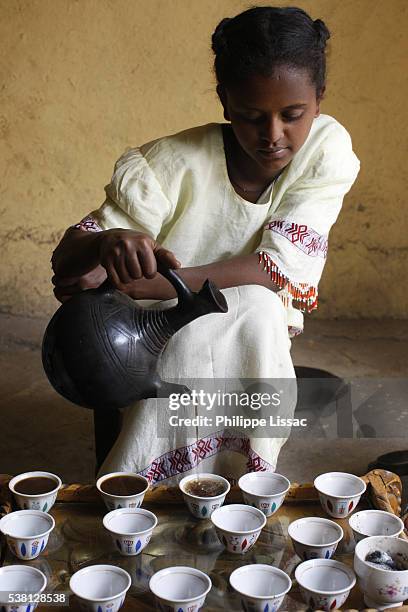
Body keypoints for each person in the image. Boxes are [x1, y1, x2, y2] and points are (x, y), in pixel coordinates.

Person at [51, 6, 360, 484]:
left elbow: (276, 269)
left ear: (318, 100)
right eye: (251, 116)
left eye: (292, 115)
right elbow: (69, 263)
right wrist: (107, 244)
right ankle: (155, 491)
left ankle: (242, 485)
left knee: (254, 307)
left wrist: (157, 286)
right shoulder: (167, 164)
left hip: (250, 319)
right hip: (156, 328)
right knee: (191, 332)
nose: (273, 135)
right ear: (224, 101)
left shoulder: (325, 150)